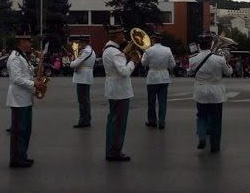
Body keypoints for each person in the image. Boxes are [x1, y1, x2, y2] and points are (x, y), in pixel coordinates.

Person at [188, 32, 232, 153]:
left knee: (201, 116)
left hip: (200, 91)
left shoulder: (192, 59)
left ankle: (202, 137)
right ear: (211, 44)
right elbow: (229, 72)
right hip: (216, 92)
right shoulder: (219, 59)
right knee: (216, 120)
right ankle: (215, 146)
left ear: (199, 45)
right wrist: (227, 61)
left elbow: (190, 72)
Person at [6, 33, 46, 168]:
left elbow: (26, 73)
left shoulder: (23, 57)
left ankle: (22, 155)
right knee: (19, 130)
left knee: (26, 129)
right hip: (18, 98)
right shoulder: (15, 58)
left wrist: (38, 67)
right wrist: (34, 84)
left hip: (25, 98)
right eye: (28, 42)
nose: (30, 44)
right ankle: (16, 158)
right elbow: (16, 79)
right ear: (21, 42)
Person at [102, 24, 140, 161]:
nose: (123, 36)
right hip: (120, 90)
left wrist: (127, 51)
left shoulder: (108, 48)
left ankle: (111, 149)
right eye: (121, 34)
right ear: (116, 35)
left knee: (112, 121)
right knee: (118, 123)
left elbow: (118, 59)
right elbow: (124, 72)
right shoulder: (115, 52)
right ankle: (115, 151)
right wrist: (133, 62)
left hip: (113, 89)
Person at [141, 32, 175, 130]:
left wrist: (144, 53)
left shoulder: (149, 50)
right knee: (162, 102)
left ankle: (152, 121)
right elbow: (172, 64)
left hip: (152, 77)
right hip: (164, 77)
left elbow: (143, 63)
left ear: (153, 39)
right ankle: (162, 122)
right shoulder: (167, 50)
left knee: (151, 101)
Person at [70, 35, 96, 128]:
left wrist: (72, 62)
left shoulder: (86, 51)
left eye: (80, 42)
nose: (79, 44)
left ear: (84, 42)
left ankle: (84, 121)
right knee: (85, 100)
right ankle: (86, 119)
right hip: (85, 77)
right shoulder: (90, 51)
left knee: (83, 101)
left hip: (83, 77)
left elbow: (75, 63)